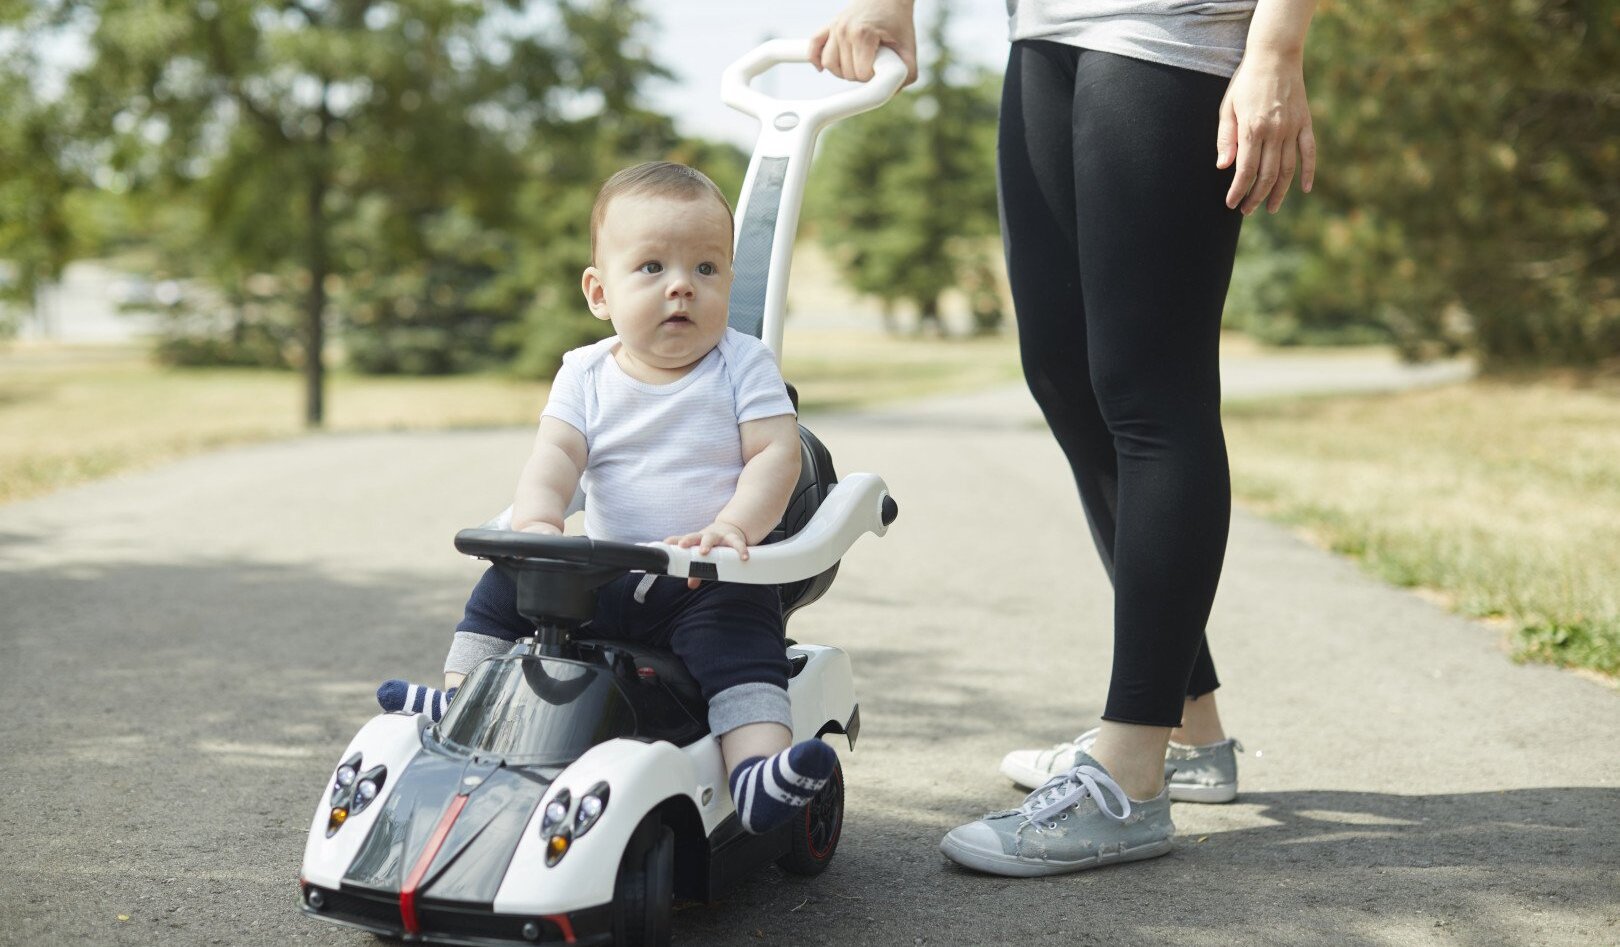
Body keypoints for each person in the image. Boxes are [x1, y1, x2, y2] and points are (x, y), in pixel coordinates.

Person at [811, 0, 1318, 875]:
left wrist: (1276, 45)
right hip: (1047, 29)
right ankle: (1186, 729)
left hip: (1175, 34)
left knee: (1151, 392)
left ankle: (1129, 776)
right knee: (1065, 378)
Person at [377, 160, 835, 836]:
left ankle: (757, 771)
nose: (682, 285)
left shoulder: (742, 365)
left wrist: (733, 525)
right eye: (652, 267)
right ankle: (462, 697)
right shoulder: (584, 372)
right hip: (606, 571)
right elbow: (556, 456)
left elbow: (776, 453)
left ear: (729, 285)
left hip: (701, 579)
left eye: (706, 270)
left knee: (742, 642)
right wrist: (539, 520)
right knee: (509, 580)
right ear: (600, 292)